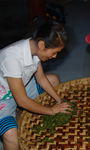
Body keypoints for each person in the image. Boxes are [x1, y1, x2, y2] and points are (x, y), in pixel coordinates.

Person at [0, 19, 72, 150]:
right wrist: (51, 111)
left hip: (22, 85)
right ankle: (15, 113)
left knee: (54, 79)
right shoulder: (11, 58)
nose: (55, 56)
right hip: (4, 97)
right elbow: (21, 100)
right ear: (42, 45)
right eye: (54, 52)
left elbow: (41, 78)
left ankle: (20, 111)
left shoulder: (33, 49)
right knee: (10, 135)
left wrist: (59, 100)